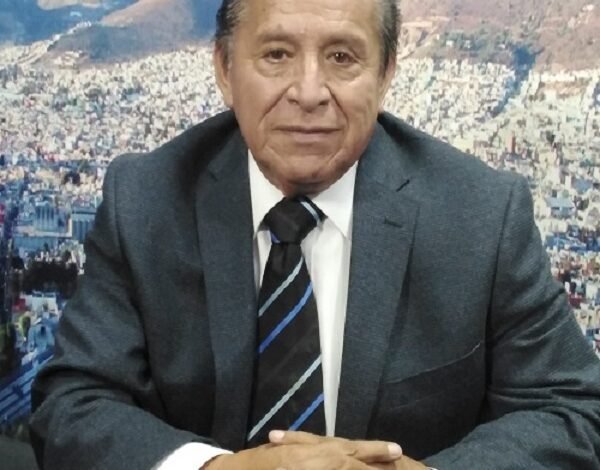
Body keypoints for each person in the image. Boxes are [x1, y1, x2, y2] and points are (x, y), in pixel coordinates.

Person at [30, 0, 600, 469]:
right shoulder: (146, 199)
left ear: (386, 73)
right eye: (276, 54)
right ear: (225, 69)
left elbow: (572, 407)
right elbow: (73, 402)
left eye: (342, 57)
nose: (309, 92)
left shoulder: (481, 215)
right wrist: (214, 469)